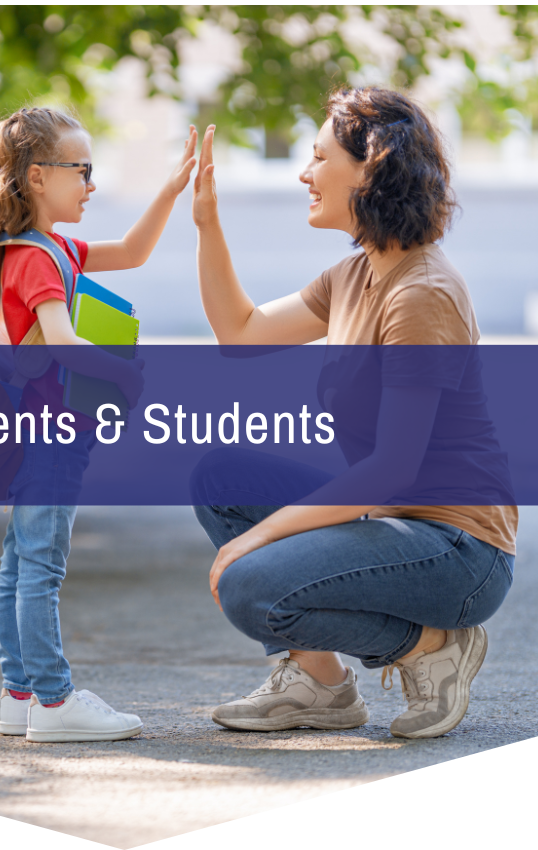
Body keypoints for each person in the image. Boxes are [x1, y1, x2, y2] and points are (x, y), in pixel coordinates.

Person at [189, 87, 518, 739]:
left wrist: (258, 539)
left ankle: (431, 646)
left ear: (370, 168)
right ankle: (321, 684)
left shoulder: (422, 292)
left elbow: (391, 468)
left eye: (318, 157)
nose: (303, 173)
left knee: (253, 586)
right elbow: (242, 331)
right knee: (222, 479)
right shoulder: (352, 275)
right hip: (394, 525)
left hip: (458, 549)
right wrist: (207, 224)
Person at [0, 107, 197, 742]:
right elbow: (65, 343)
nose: (91, 185)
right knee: (41, 564)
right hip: (49, 434)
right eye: (83, 171)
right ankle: (54, 699)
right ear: (38, 177)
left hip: (26, 432)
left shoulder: (46, 249)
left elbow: (131, 252)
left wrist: (172, 189)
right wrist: (124, 376)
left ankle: (20, 695)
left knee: (18, 562)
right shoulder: (39, 258)